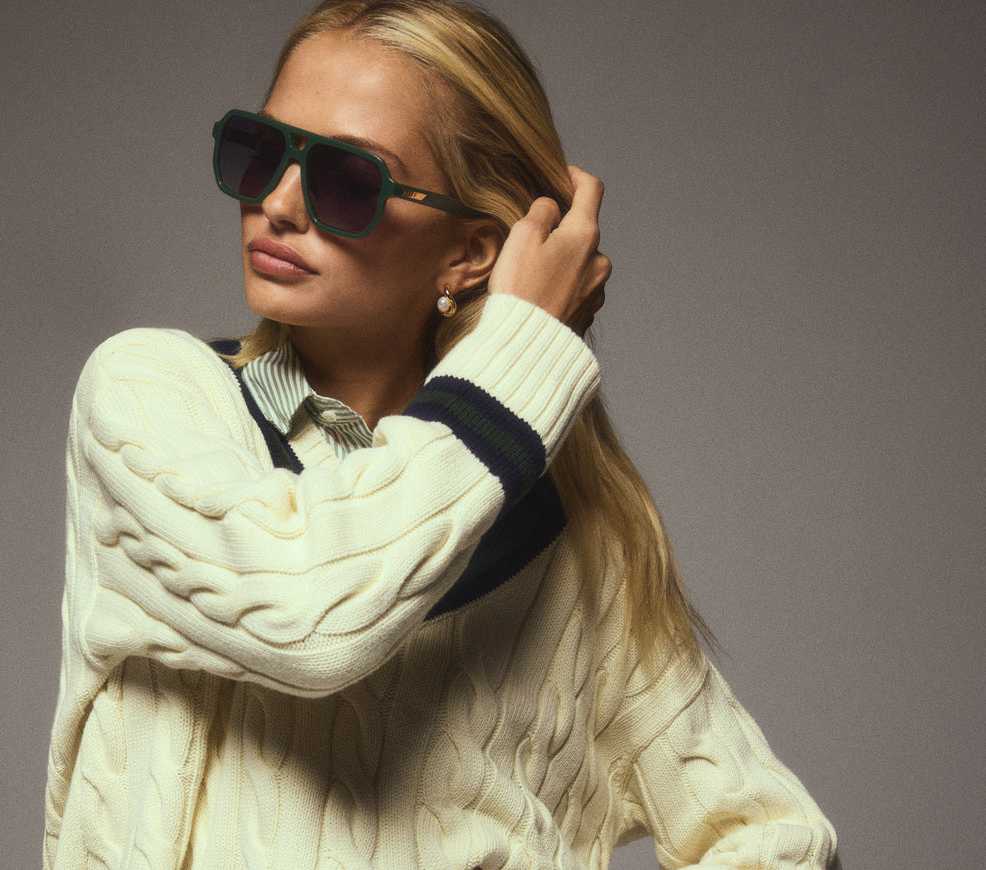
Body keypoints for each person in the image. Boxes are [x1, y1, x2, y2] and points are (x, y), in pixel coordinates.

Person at [42, 1, 838, 868]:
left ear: (471, 254)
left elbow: (773, 841)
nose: (276, 203)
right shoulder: (151, 395)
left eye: (347, 181)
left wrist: (512, 369)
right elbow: (307, 612)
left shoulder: (575, 547)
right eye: (261, 151)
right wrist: (520, 355)